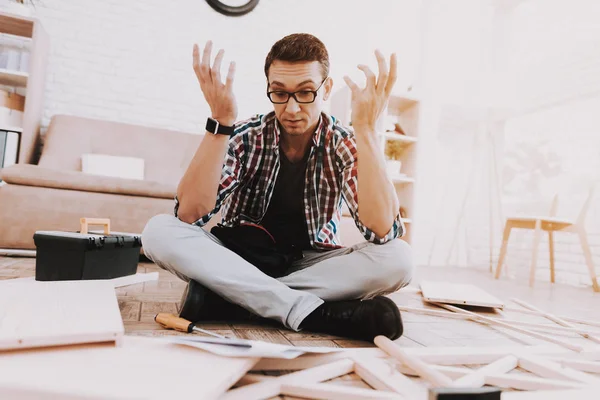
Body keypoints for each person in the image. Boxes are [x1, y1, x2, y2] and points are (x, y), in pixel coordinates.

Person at [142, 33, 413, 342]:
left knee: (399, 259)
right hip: (239, 255)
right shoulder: (246, 136)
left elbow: (382, 231)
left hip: (310, 262)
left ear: (327, 88)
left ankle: (233, 297)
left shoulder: (343, 142)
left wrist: (366, 130)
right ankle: (312, 312)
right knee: (158, 231)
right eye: (280, 93)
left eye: (306, 93)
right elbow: (189, 214)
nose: (292, 108)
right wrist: (221, 120)